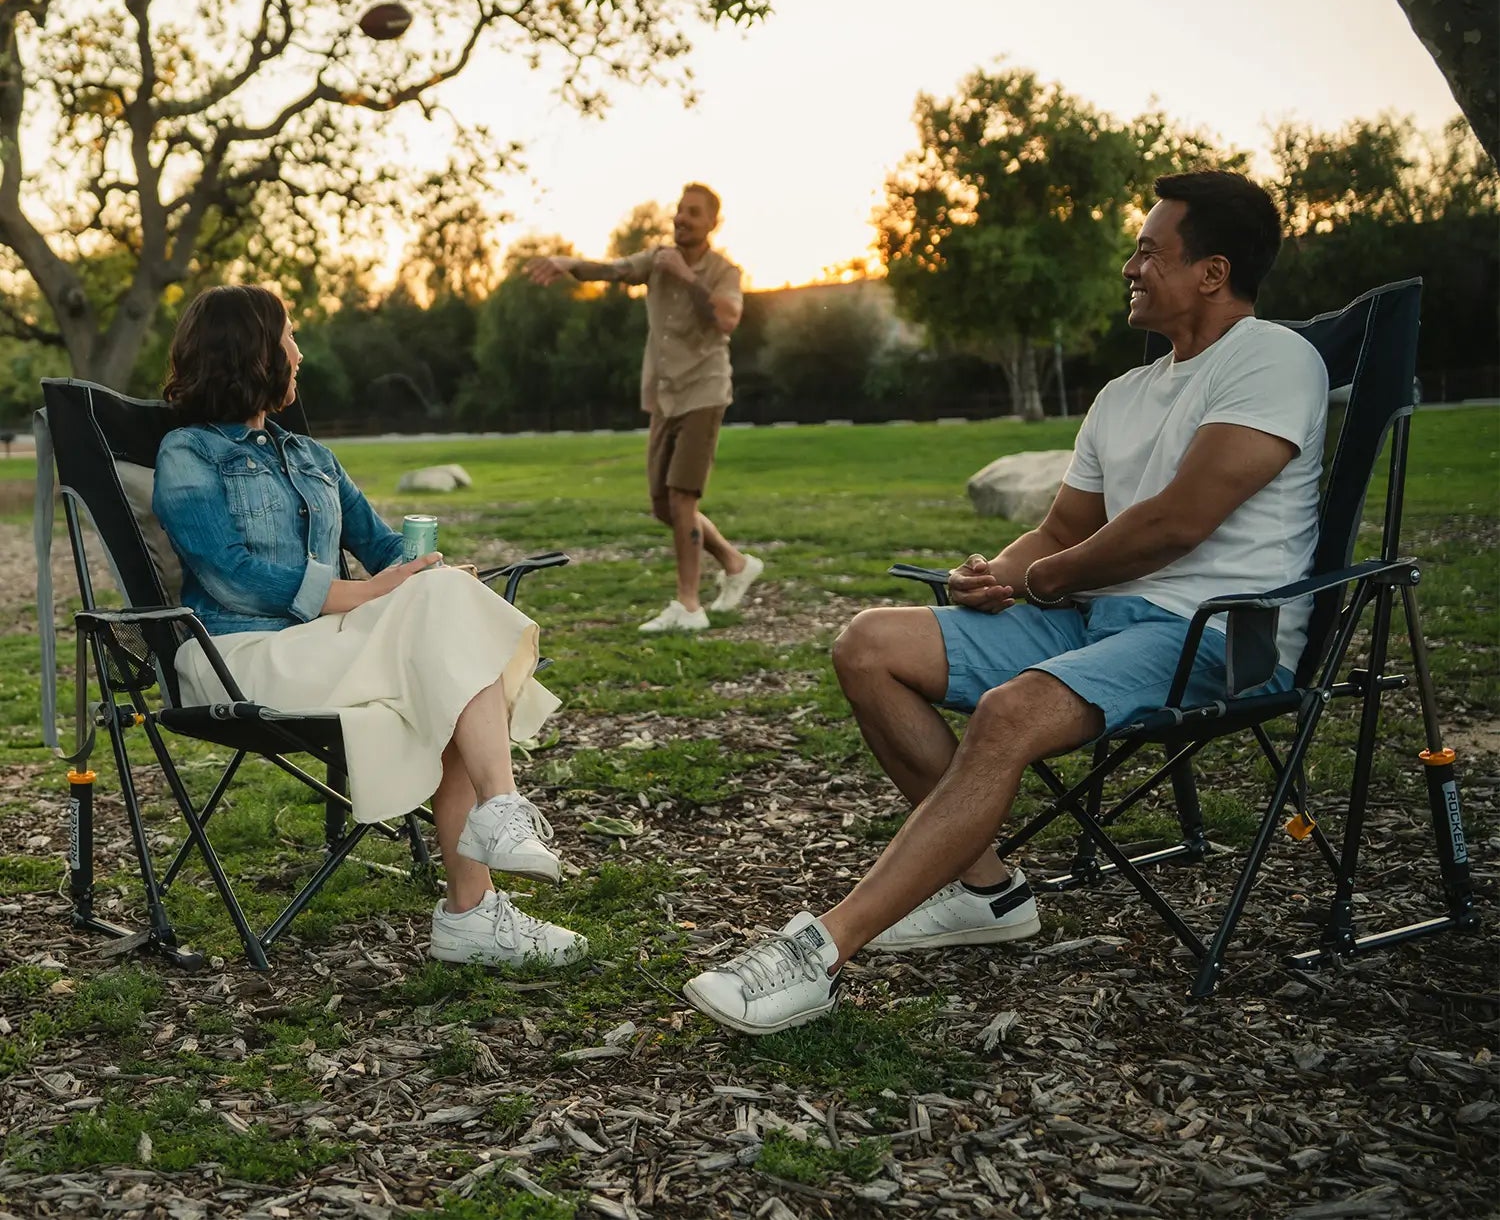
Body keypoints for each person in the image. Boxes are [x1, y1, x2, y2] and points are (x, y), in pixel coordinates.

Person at [681, 170, 1330, 1034]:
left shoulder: (1274, 358)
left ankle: (821, 951)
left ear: (1212, 272)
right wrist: (1000, 569)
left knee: (1008, 712)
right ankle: (987, 890)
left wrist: (1048, 578)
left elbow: (1178, 523)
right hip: (1098, 618)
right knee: (868, 644)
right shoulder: (1123, 394)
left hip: (1226, 634)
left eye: (1149, 251)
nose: (1130, 267)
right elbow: (1061, 530)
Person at [151, 285, 588, 970]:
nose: (301, 352)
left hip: (322, 646)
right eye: (290, 336)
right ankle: (492, 839)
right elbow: (228, 572)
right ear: (255, 352)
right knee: (450, 657)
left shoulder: (310, 456)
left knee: (449, 647)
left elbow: (384, 547)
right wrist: (368, 594)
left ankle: (476, 900)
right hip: (235, 652)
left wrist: (431, 574)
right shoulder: (188, 452)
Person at [524, 182, 764, 634]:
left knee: (682, 497)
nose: (681, 219)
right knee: (664, 505)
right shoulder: (654, 260)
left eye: (693, 213)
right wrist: (567, 263)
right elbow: (611, 270)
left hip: (704, 392)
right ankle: (735, 563)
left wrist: (687, 277)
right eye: (679, 210)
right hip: (664, 395)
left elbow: (728, 319)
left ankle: (688, 606)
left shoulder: (723, 271)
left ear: (713, 223)